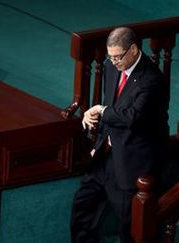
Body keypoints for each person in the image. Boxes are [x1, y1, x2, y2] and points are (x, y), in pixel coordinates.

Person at [70, 27, 169, 243]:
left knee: (128, 227)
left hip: (130, 164)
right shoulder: (111, 67)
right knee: (82, 208)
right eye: (110, 56)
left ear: (133, 49)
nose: (113, 61)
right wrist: (98, 140)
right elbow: (113, 106)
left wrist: (101, 110)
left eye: (117, 56)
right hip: (104, 157)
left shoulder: (151, 79)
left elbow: (132, 117)